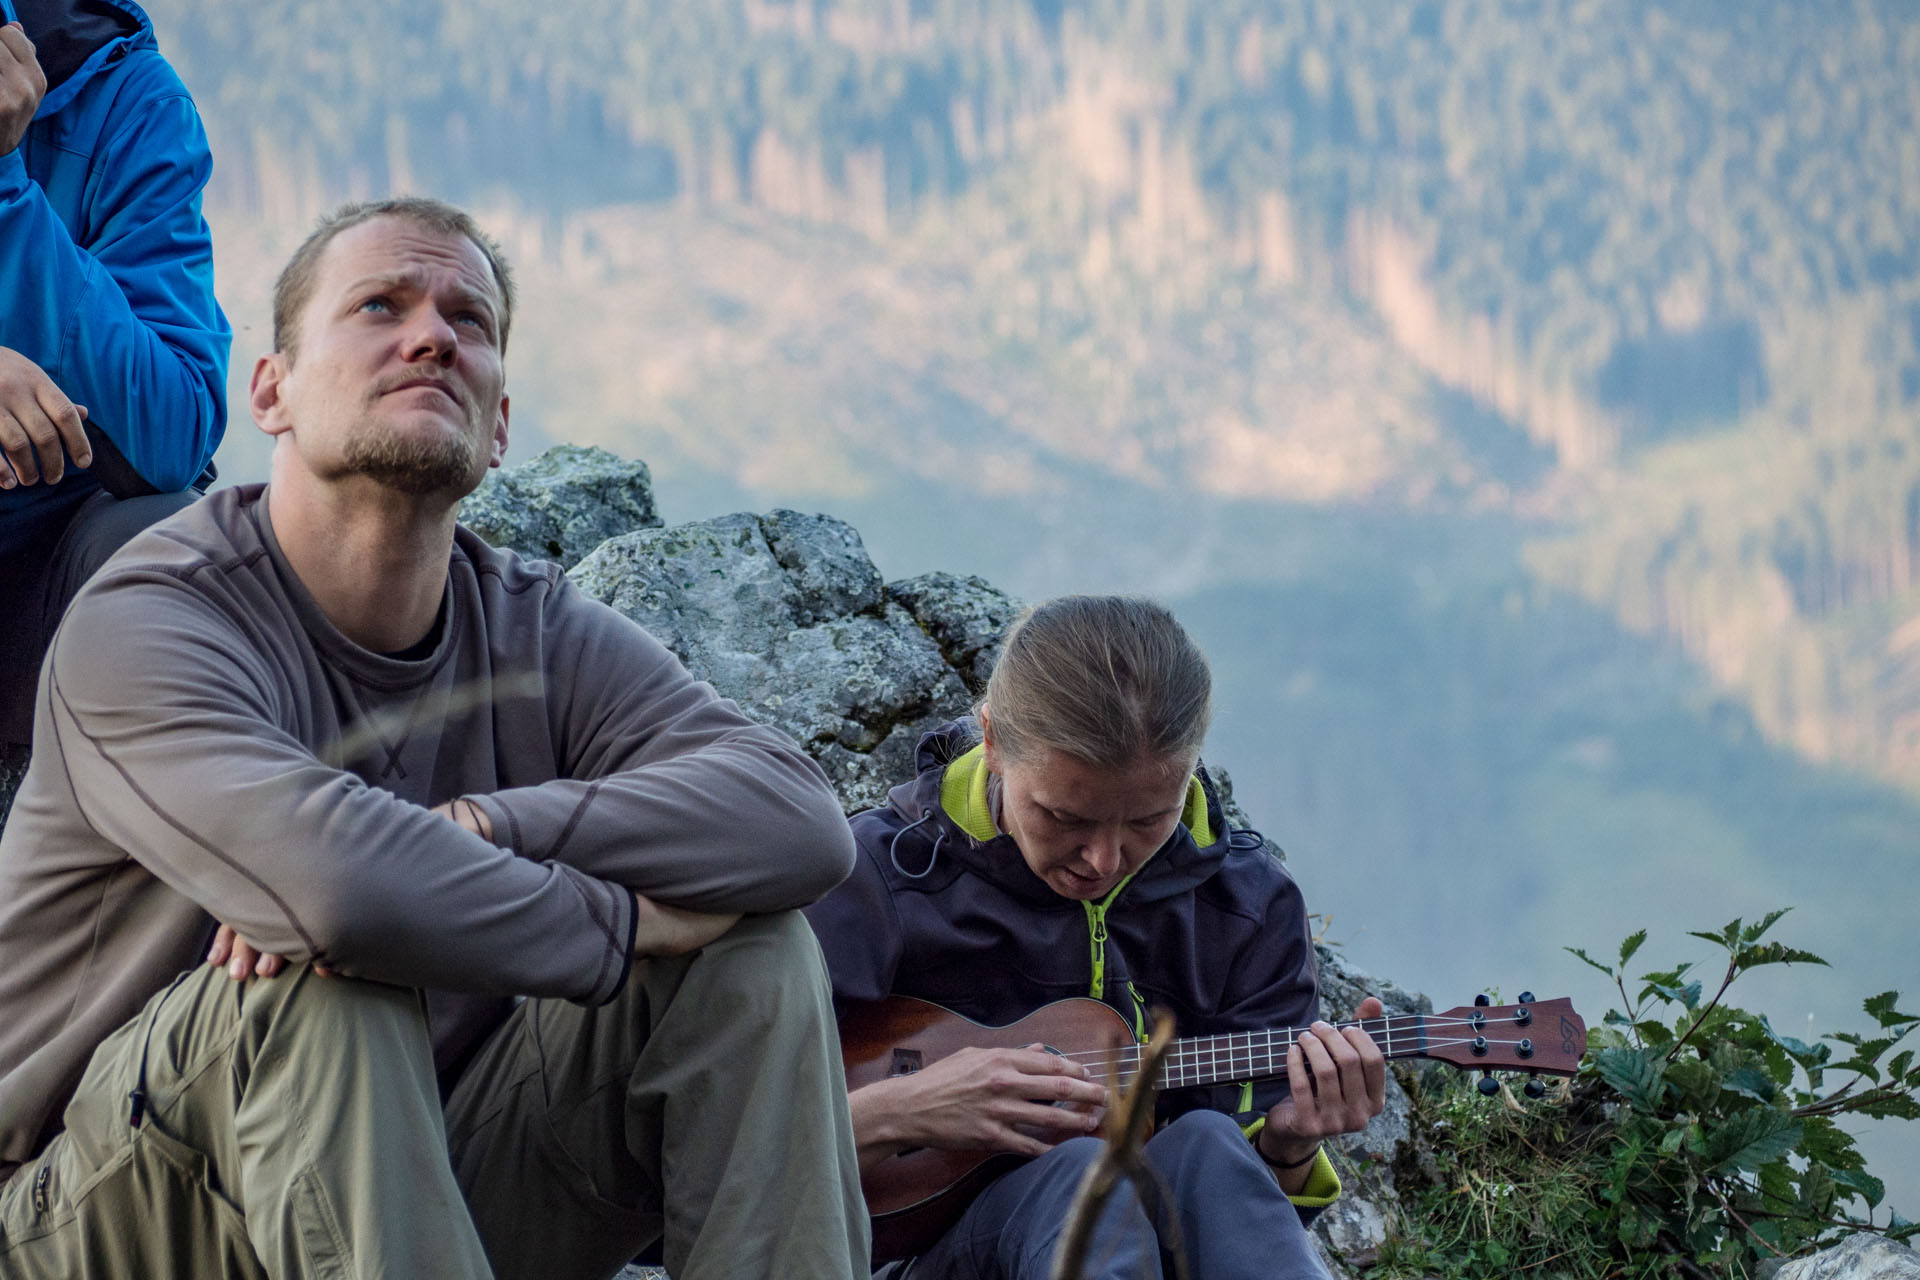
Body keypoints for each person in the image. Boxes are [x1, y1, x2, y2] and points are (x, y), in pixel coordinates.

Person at [0, 197, 867, 1279]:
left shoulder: (531, 626)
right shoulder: (152, 617)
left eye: (471, 320)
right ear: (271, 391)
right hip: (93, 1215)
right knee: (319, 989)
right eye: (379, 305)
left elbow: (796, 815)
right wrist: (618, 922)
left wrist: (492, 820)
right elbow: (335, 891)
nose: (432, 335)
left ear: (500, 426)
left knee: (750, 954)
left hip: (400, 1186)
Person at [806, 596, 1387, 1279]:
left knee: (1206, 1143)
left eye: (1148, 820)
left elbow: (1233, 1231)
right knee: (1082, 1174)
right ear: (991, 743)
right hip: (911, 1264)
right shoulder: (874, 880)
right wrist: (903, 1113)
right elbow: (720, 1157)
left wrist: (1287, 1150)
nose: (1104, 860)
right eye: (1063, 816)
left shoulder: (1248, 909)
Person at [0, 0, 230, 755]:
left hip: (37, 583)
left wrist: (6, 192)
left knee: (174, 547)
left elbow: (175, 428)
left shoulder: (132, 100)